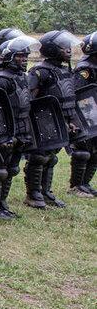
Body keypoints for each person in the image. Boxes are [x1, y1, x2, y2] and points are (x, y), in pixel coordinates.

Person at [24, 30, 84, 209]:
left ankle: (45, 191)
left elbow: (69, 97)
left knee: (51, 158)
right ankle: (33, 194)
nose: (68, 50)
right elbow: (30, 98)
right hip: (44, 120)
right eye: (63, 47)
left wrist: (72, 119)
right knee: (39, 157)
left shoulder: (65, 70)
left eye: (68, 46)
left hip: (62, 120)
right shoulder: (40, 71)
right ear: (51, 48)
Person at [0, 35, 40, 219]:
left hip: (21, 128)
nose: (24, 59)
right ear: (8, 56)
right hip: (5, 130)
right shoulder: (1, 79)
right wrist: (1, 135)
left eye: (25, 56)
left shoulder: (22, 77)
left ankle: (2, 203)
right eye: (19, 56)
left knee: (12, 169)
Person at [69, 31, 97, 197]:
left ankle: (85, 183)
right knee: (83, 150)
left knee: (95, 150)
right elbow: (78, 93)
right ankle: (76, 186)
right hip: (84, 112)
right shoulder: (85, 68)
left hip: (95, 111)